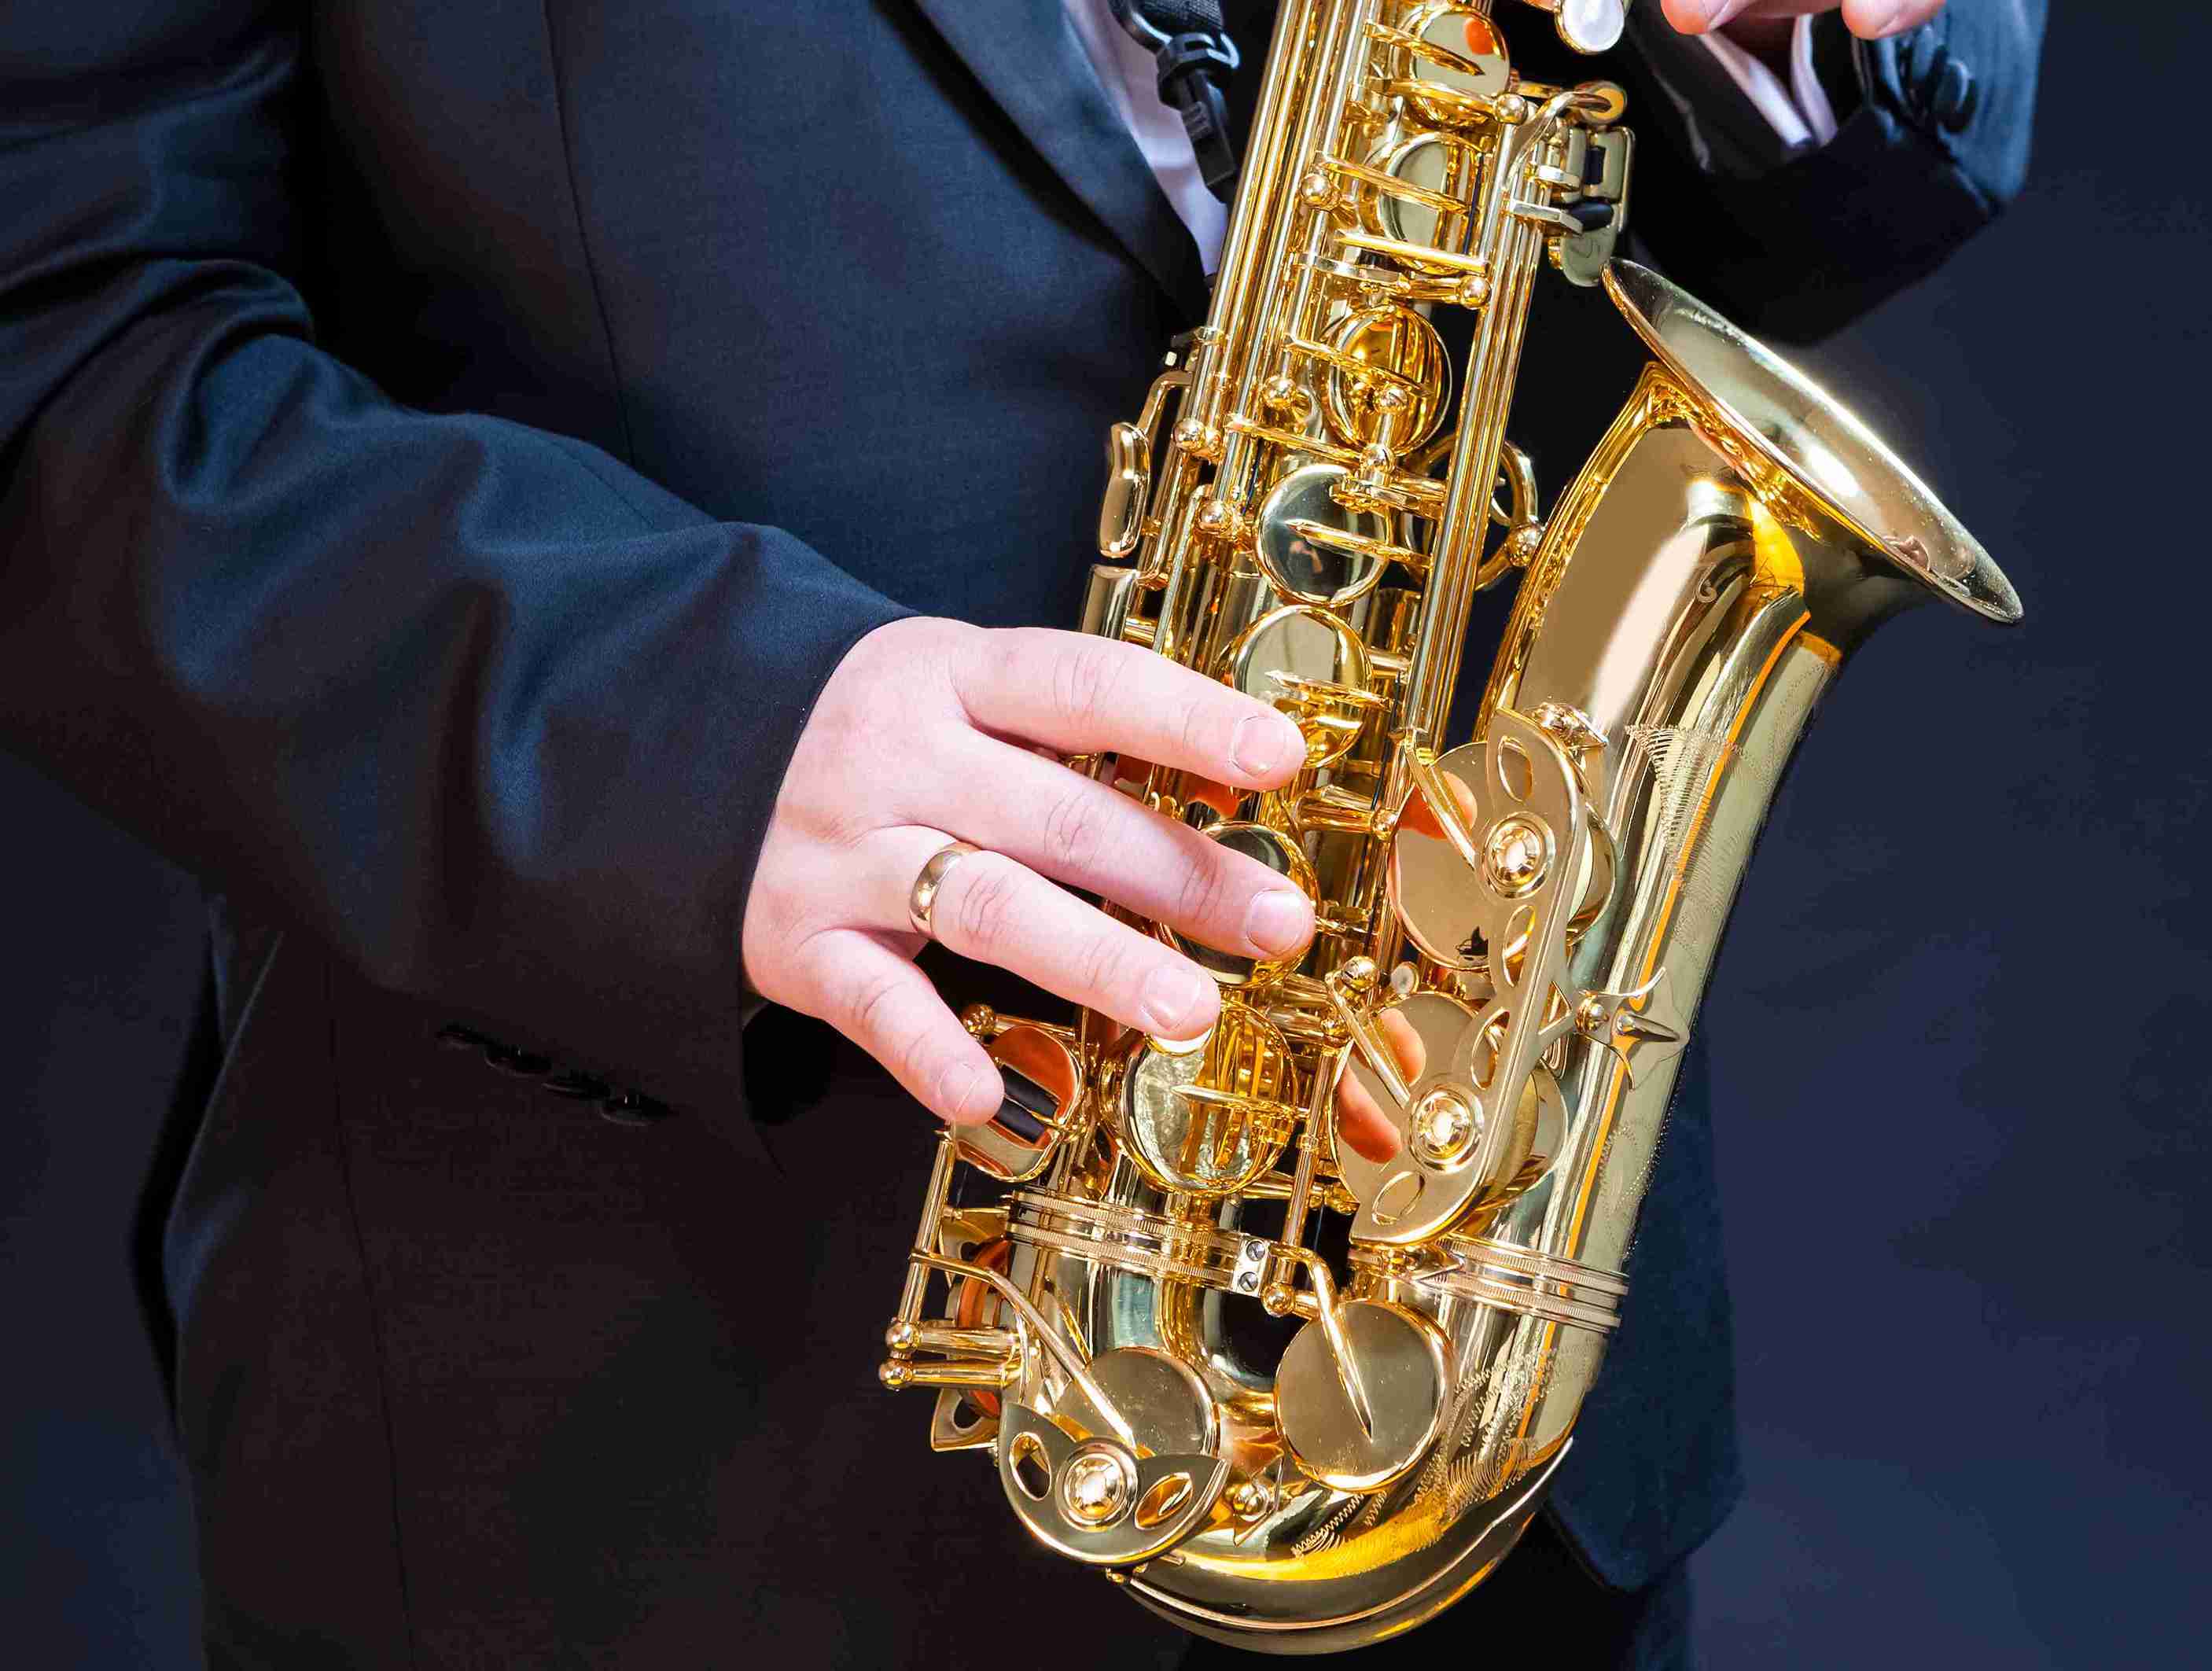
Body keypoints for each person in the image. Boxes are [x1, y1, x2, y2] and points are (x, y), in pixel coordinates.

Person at [0, 1, 2041, 1665]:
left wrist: (1762, 36)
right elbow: (55, 334)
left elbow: (1785, 156)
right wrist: (699, 750)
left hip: (1459, 1346)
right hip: (663, 1448)